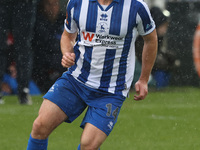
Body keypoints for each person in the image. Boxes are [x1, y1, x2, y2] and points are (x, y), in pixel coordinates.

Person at [27, 0, 157, 149]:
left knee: (88, 145)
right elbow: (67, 36)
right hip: (76, 81)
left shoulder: (136, 7)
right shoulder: (77, 3)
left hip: (110, 90)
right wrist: (67, 53)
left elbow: (151, 39)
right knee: (40, 126)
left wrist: (144, 78)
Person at [0, 0, 38, 104]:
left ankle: (24, 91)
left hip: (25, 3)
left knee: (23, 47)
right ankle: (23, 91)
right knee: (3, 45)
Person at [135, 6, 178, 89]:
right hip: (141, 68)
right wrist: (167, 65)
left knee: (165, 71)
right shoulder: (143, 39)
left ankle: (160, 88)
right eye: (163, 26)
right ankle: (155, 88)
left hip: (153, 68)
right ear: (157, 24)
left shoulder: (160, 38)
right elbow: (146, 58)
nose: (165, 29)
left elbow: (158, 54)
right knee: (160, 73)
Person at [32, 0, 66, 93]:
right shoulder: (38, 22)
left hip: (63, 62)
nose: (52, 8)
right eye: (49, 4)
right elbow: (46, 43)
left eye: (55, 4)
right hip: (42, 67)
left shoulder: (64, 20)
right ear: (43, 6)